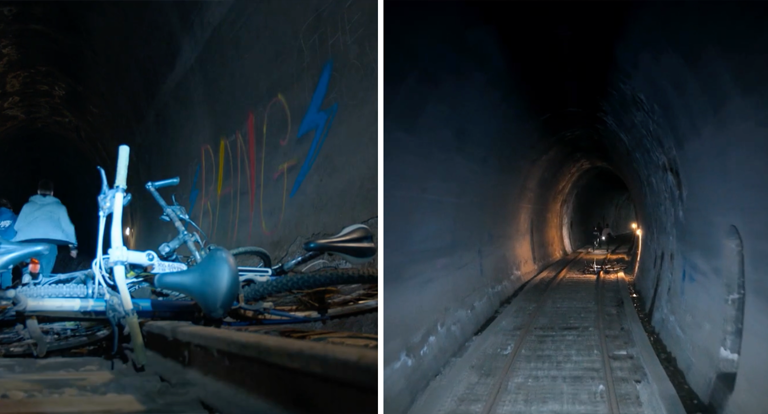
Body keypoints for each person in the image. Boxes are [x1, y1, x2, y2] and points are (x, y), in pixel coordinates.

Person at [13, 180, 78, 277]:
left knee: (29, 266)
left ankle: (27, 275)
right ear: (52, 193)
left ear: (38, 191)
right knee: (44, 273)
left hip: (28, 244)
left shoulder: (27, 206)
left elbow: (17, 226)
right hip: (49, 243)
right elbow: (69, 228)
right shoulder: (59, 207)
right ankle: (42, 280)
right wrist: (73, 248)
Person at [0, 198, 17, 288]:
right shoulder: (13, 216)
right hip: (9, 247)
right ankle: (7, 297)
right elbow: (18, 230)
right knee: (6, 271)